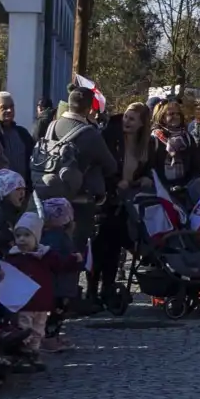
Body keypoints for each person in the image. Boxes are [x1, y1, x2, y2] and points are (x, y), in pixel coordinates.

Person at [37, 87, 119, 306]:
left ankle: (51, 292)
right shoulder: (89, 133)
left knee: (53, 246)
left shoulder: (52, 126)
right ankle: (69, 297)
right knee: (75, 248)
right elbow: (111, 165)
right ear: (90, 107)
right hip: (80, 200)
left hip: (52, 196)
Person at [0, 91, 35, 180]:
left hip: (22, 190)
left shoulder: (22, 133)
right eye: (3, 108)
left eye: (11, 106)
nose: (9, 110)